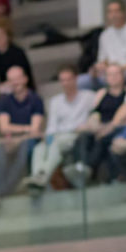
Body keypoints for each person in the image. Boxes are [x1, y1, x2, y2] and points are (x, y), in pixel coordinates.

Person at [25, 66, 95, 194]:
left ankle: (43, 176)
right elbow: (52, 125)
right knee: (39, 147)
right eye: (62, 80)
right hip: (58, 136)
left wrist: (86, 125)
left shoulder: (89, 97)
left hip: (76, 136)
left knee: (56, 145)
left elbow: (94, 117)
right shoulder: (55, 101)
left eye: (68, 79)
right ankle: (37, 176)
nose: (65, 83)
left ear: (75, 79)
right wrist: (48, 137)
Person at [0, 65, 45, 206]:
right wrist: (25, 129)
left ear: (25, 79)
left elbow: (35, 130)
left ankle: (1, 191)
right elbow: (4, 127)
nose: (15, 83)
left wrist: (19, 136)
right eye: (11, 80)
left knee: (24, 149)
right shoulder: (5, 101)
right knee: (0, 151)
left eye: (17, 79)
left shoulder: (35, 100)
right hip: (12, 140)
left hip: (29, 142)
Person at [68, 63, 126, 185]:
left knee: (103, 140)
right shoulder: (102, 93)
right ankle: (80, 166)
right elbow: (95, 113)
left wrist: (107, 128)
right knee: (83, 138)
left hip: (119, 127)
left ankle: (89, 169)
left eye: (116, 74)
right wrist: (94, 125)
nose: (114, 77)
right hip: (101, 126)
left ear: (122, 76)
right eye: (110, 74)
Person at [81, 0, 126, 91]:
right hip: (109, 72)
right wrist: (98, 68)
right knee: (81, 81)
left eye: (116, 11)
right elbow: (103, 59)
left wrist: (118, 69)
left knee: (116, 76)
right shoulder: (105, 35)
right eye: (110, 12)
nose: (113, 15)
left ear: (123, 13)